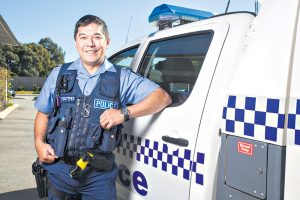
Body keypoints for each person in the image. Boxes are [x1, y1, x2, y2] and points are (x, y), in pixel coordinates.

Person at [34, 14, 171, 200]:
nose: (90, 43)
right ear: (76, 42)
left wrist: (124, 113)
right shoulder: (59, 75)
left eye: (96, 37)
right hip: (60, 171)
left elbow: (162, 98)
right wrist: (39, 143)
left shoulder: (122, 77)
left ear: (107, 41)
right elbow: (43, 112)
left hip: (99, 177)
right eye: (83, 37)